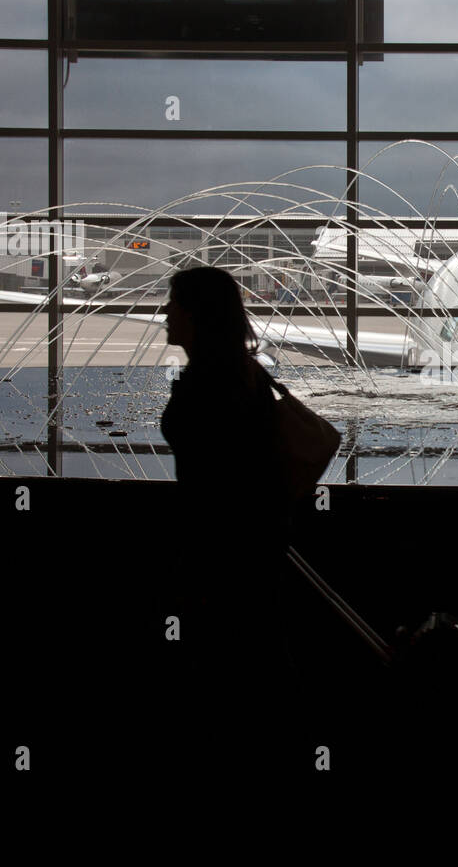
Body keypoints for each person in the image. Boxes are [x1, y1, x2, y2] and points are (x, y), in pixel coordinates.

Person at [159, 266, 300, 732]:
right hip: (252, 552)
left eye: (173, 303)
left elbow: (214, 480)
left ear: (195, 313)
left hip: (217, 558)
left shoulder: (207, 388)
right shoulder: (241, 377)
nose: (165, 312)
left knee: (219, 668)